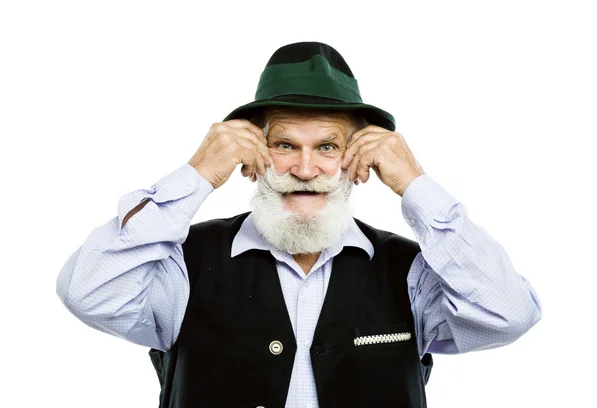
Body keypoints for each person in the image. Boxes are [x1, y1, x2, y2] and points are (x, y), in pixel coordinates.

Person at [56, 41, 542, 408]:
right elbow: (89, 293)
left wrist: (416, 185)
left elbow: (508, 315)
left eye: (328, 147)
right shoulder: (182, 263)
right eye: (285, 146)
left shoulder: (411, 271)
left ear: (358, 159)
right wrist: (197, 175)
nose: (306, 170)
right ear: (250, 156)